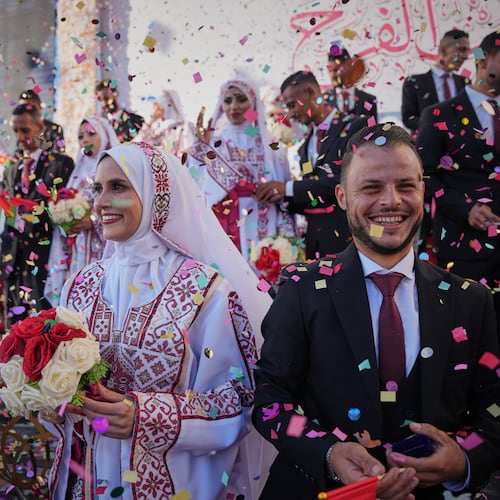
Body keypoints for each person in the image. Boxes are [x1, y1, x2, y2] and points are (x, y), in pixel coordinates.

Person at [252, 123, 500, 500]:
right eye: (371, 188)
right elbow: (270, 401)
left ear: (423, 190)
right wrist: (329, 454)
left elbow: (493, 411)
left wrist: (462, 462)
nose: (391, 201)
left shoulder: (472, 301)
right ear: (342, 197)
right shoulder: (300, 290)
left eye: (405, 186)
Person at [41, 142, 276, 500]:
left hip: (171, 482)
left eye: (118, 187)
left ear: (156, 195)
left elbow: (240, 399)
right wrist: (50, 400)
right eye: (98, 188)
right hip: (87, 481)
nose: (101, 202)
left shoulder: (205, 290)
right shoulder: (82, 285)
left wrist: (146, 416)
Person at [416, 30, 500, 335]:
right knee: (466, 336)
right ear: (484, 58)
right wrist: (465, 208)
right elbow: (424, 174)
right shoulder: (439, 114)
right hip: (463, 247)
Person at [256, 70, 367, 260]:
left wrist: (287, 188)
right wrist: (280, 198)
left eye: (292, 105)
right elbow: (313, 198)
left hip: (350, 242)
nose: (290, 115)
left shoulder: (355, 127)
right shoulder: (304, 147)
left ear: (311, 93)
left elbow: (347, 184)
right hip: (316, 246)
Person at [188, 78, 295, 261]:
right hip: (224, 227)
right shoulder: (212, 144)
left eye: (241, 99)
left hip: (263, 225)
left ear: (253, 103)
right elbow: (195, 188)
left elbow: (285, 191)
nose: (234, 107)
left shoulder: (270, 146)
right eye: (228, 101)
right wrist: (199, 148)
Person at [0, 104, 74, 326]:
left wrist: (31, 211)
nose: (20, 137)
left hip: (45, 260)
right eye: (16, 131)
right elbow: (8, 216)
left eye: (25, 130)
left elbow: (66, 213)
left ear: (40, 127)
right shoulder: (12, 168)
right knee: (15, 331)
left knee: (43, 327)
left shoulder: (62, 164)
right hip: (12, 261)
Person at [44, 116, 119, 306]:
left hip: (101, 247)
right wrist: (65, 220)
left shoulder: (114, 170)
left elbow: (122, 206)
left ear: (103, 135)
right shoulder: (77, 173)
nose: (85, 139)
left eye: (91, 134)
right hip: (76, 249)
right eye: (80, 136)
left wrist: (93, 220)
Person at [402, 29, 470, 137]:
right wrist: (437, 126)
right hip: (427, 147)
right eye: (461, 50)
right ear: (443, 50)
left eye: (467, 51)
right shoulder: (414, 83)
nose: (466, 56)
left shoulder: (465, 83)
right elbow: (408, 118)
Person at [325, 47, 378, 121]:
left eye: (336, 70)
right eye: (330, 71)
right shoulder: (325, 100)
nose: (332, 75)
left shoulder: (370, 100)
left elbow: (374, 131)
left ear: (349, 66)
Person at [136, 89, 192, 156]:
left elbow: (184, 155)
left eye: (156, 104)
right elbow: (137, 145)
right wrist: (152, 120)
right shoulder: (155, 127)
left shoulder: (181, 128)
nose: (154, 108)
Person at [18, 89, 66, 154]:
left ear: (39, 106)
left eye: (30, 107)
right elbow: (18, 154)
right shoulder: (20, 129)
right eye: (22, 108)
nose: (26, 111)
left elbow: (59, 157)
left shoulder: (54, 129)